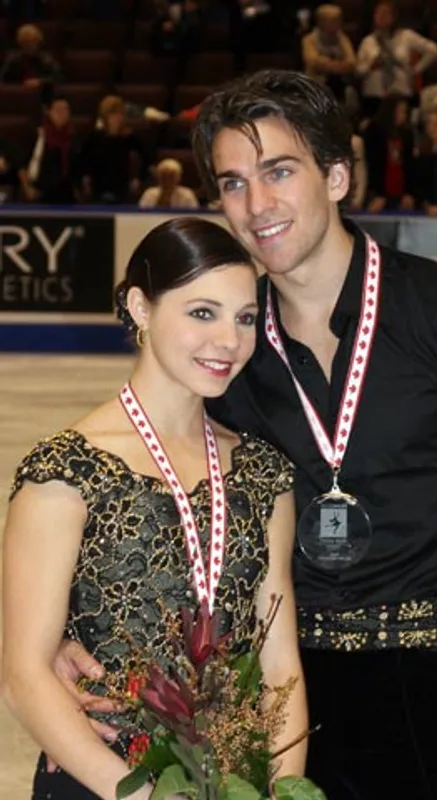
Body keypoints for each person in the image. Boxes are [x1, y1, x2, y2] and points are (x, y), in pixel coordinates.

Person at [52, 70, 437, 799]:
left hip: (434, 688)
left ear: (337, 175)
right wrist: (73, 631)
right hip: (280, 696)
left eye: (279, 172)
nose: (257, 205)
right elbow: (142, 482)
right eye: (234, 183)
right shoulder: (229, 352)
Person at [1, 217, 307, 799]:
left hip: (233, 780)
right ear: (141, 308)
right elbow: (23, 675)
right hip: (103, 783)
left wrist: (284, 789)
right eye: (202, 312)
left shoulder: (263, 473)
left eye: (245, 318)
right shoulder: (68, 470)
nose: (229, 340)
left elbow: (280, 667)